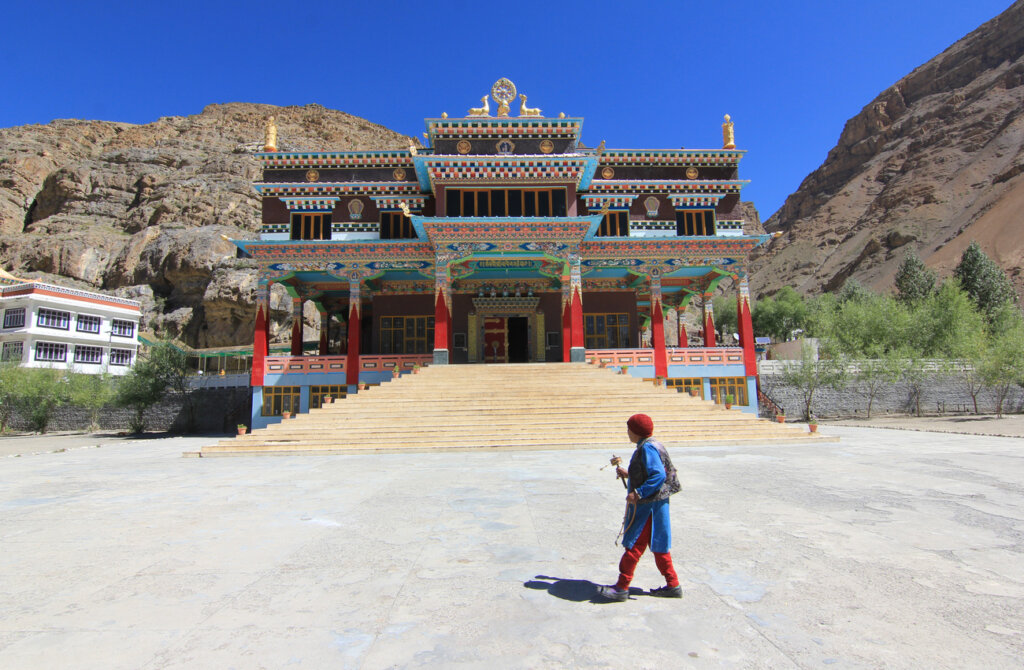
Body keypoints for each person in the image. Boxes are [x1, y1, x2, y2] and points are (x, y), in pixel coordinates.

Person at [597, 413, 682, 601]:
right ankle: (673, 584)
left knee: (634, 545)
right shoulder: (653, 444)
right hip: (658, 505)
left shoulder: (647, 449)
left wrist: (638, 492)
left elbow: (658, 475)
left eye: (629, 429)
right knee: (659, 545)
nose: (627, 432)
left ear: (635, 431)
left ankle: (621, 587)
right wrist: (629, 474)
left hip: (648, 507)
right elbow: (650, 471)